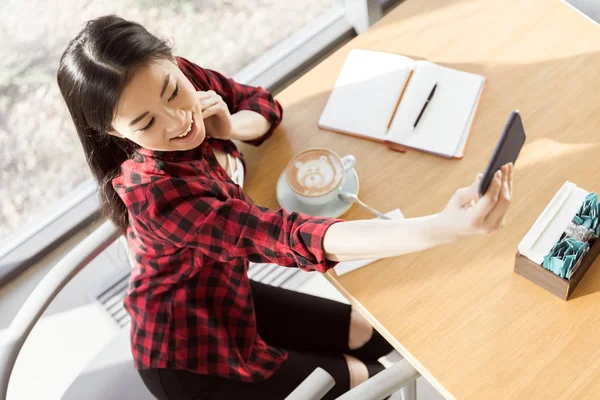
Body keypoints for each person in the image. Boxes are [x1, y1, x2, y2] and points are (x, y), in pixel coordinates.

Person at [56, 15, 513, 400]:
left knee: (372, 333)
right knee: (365, 378)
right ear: (115, 134)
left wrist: (228, 125)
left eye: (174, 92)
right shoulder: (159, 195)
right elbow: (285, 235)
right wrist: (441, 227)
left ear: (171, 62)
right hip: (187, 351)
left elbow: (263, 107)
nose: (179, 120)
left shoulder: (175, 82)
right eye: (146, 123)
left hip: (228, 292)